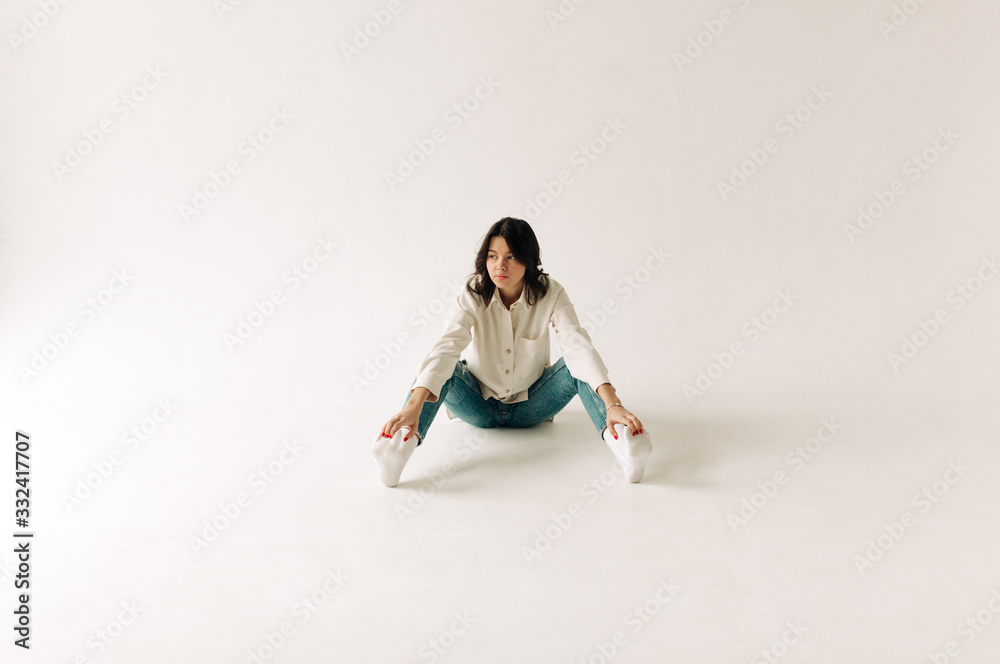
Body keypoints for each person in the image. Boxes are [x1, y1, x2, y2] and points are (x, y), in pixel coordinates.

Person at [372, 217, 652, 487]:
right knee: (443, 364)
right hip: (477, 405)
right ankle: (397, 448)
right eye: (493, 256)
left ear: (528, 260)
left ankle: (625, 444)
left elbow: (577, 344)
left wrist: (613, 403)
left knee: (574, 365)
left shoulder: (551, 293)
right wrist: (413, 407)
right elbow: (447, 346)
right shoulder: (473, 292)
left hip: (532, 407)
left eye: (511, 256)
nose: (499, 265)